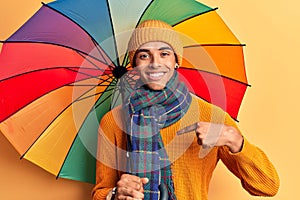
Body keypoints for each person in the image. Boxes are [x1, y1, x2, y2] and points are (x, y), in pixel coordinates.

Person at [92, 20, 279, 200]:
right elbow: (100, 192)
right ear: (134, 65)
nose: (155, 63)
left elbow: (268, 185)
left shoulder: (209, 115)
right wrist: (114, 194)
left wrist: (234, 140)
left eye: (164, 53)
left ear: (176, 61)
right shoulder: (113, 121)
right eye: (144, 55)